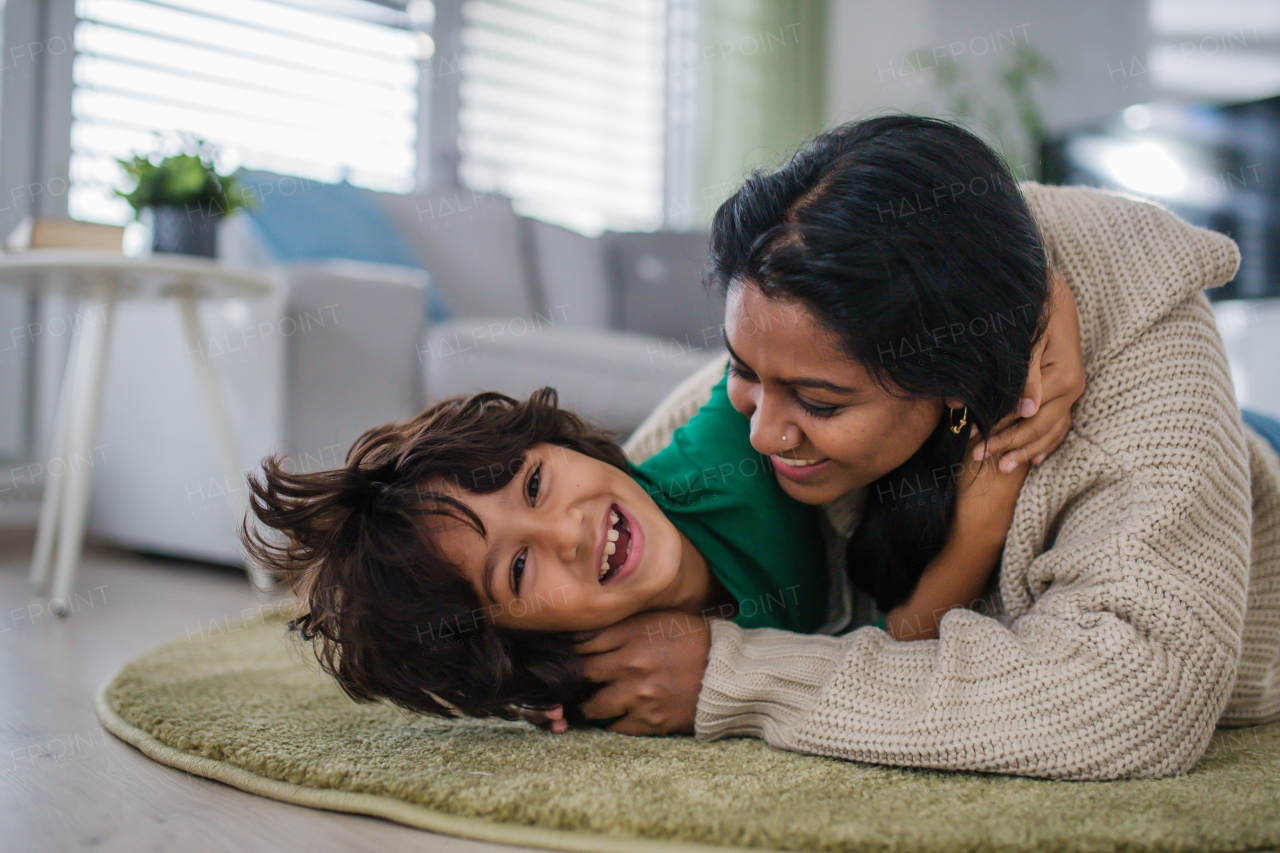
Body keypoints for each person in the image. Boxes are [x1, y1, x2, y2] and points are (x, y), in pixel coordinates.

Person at [535, 114, 1280, 781]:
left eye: (820, 403)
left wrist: (737, 675)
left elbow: (1131, 703)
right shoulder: (802, 341)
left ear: (952, 380)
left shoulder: (1152, 395)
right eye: (740, 366)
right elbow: (614, 506)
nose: (762, 433)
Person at [238, 303, 1081, 728]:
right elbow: (899, 660)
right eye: (519, 570)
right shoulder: (610, 681)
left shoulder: (723, 445)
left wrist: (1047, 307)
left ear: (562, 443)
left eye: (535, 485)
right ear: (520, 639)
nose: (568, 531)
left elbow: (793, 316)